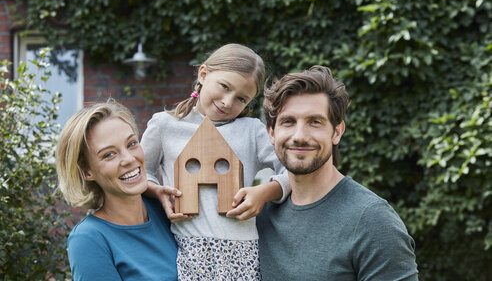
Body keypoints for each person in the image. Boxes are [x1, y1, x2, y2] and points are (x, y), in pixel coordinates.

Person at [141, 43, 290, 280]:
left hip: (243, 253)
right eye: (224, 87)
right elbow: (141, 171)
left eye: (241, 98)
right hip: (187, 250)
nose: (228, 102)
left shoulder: (252, 130)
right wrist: (156, 190)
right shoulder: (164, 125)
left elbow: (290, 170)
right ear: (203, 74)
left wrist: (265, 192)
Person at [257, 66, 419, 280]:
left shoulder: (372, 221)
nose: (299, 136)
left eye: (315, 122)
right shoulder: (259, 215)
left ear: (337, 132)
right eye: (288, 122)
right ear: (271, 133)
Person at [56, 101, 178, 281]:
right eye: (109, 154)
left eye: (131, 144)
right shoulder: (88, 240)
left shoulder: (167, 208)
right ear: (87, 171)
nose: (129, 158)